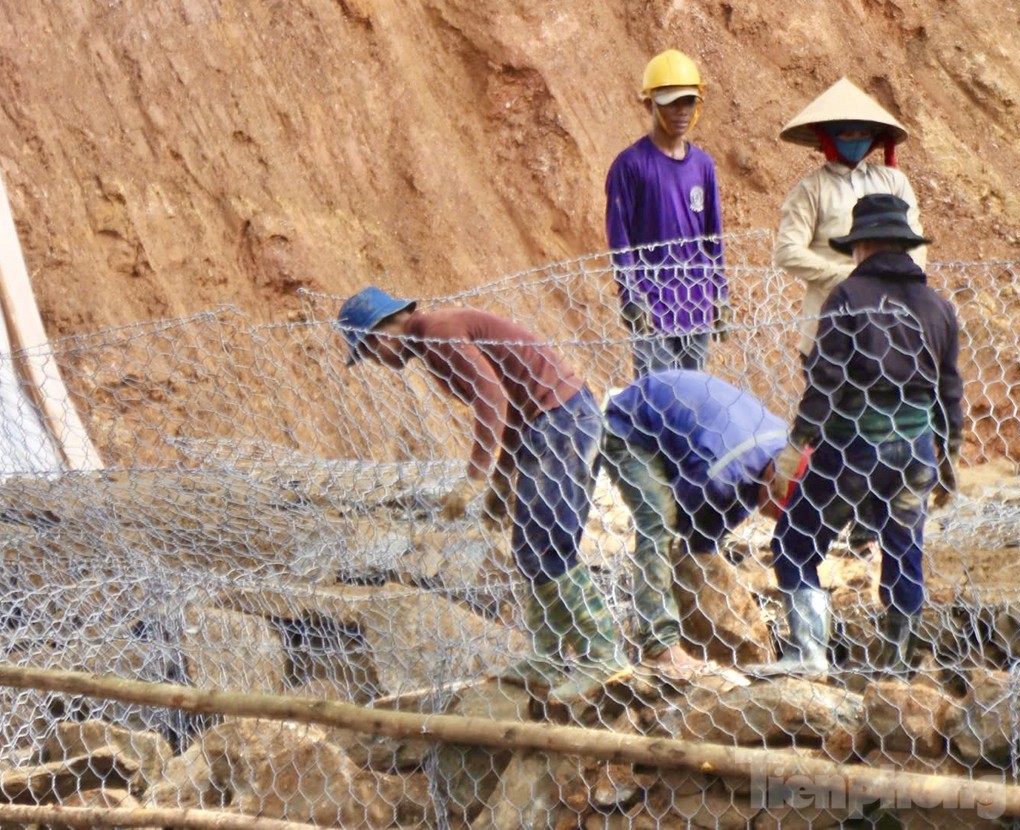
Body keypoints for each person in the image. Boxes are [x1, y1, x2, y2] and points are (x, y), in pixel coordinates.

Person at [336, 287, 631, 705]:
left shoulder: (437, 332)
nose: (377, 363)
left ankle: (604, 653)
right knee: (529, 548)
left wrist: (474, 477)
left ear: (379, 336)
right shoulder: (433, 343)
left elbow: (491, 399)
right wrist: (501, 480)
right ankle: (547, 657)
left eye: (368, 353)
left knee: (550, 545)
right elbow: (510, 405)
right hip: (545, 426)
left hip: (563, 421)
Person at [769, 193, 964, 674]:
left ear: (861, 247)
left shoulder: (849, 297)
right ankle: (896, 659)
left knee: (794, 541)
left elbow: (826, 381)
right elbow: (950, 389)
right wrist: (948, 456)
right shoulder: (938, 306)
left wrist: (797, 446)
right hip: (915, 450)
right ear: (904, 245)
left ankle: (810, 653)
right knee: (903, 547)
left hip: (854, 448)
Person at [598, 369, 804, 671]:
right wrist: (699, 556)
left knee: (706, 541)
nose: (774, 518)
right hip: (630, 426)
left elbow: (716, 519)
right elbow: (687, 515)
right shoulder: (722, 473)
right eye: (777, 510)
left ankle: (690, 624)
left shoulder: (783, 451)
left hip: (688, 427)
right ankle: (660, 644)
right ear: (774, 480)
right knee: (659, 522)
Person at [774, 78, 924, 355]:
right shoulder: (811, 189)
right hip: (829, 322)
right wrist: (848, 277)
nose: (856, 140)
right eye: (846, 133)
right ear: (828, 136)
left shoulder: (894, 182)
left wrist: (902, 281)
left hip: (889, 322)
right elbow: (787, 250)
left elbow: (914, 242)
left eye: (863, 133)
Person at [605, 50, 726, 377]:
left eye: (688, 101)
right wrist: (630, 296)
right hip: (653, 309)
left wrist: (721, 293)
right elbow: (620, 241)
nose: (681, 111)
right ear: (649, 105)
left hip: (697, 306)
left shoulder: (703, 165)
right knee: (658, 403)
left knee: (695, 401)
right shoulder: (630, 166)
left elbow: (713, 237)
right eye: (672, 102)